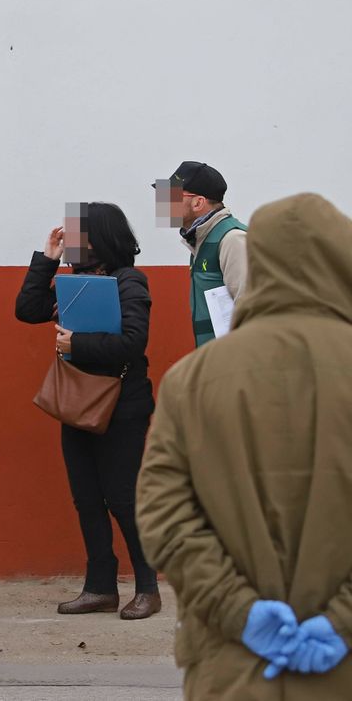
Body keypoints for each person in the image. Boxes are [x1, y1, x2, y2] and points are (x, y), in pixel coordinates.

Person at [140, 193, 352, 699]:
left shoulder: (191, 380)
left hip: (233, 669)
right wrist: (342, 618)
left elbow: (162, 515)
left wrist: (240, 612)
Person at [14, 201, 161, 620]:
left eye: (79, 235)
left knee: (122, 498)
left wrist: (76, 345)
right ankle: (100, 587)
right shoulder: (74, 281)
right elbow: (26, 310)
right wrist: (47, 259)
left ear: (101, 238)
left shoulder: (130, 281)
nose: (72, 242)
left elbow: (134, 341)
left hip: (122, 405)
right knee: (86, 499)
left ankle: (148, 588)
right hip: (77, 400)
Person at [156, 161, 247, 346]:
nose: (164, 203)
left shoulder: (232, 239)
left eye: (172, 196)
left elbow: (251, 311)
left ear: (198, 202)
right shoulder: (200, 240)